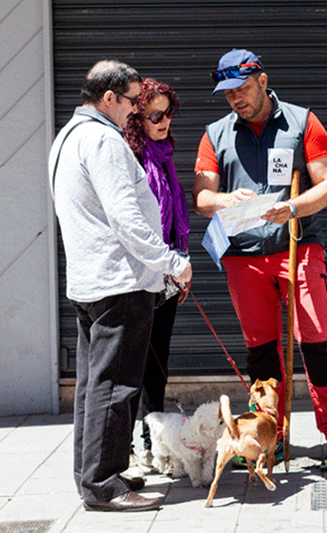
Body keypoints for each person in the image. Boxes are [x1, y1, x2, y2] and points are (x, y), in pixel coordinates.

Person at [193, 49, 327, 470]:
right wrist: (224, 198)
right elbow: (202, 196)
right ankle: (270, 436)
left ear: (263, 81)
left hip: (298, 248)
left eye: (243, 89)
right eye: (227, 94)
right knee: (262, 356)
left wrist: (294, 208)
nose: (236, 99)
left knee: (320, 345)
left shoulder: (303, 122)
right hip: (243, 258)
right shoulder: (216, 134)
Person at [48, 61, 192, 512]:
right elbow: (126, 218)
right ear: (108, 98)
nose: (136, 110)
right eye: (132, 101)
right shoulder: (104, 141)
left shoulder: (67, 137)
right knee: (116, 388)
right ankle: (104, 486)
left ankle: (93, 475)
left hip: (91, 282)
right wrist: (172, 263)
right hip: (121, 283)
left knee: (94, 387)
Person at [122, 78, 191, 469]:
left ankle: (152, 441)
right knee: (133, 365)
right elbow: (139, 226)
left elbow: (172, 222)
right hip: (140, 279)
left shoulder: (163, 156)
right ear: (137, 118)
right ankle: (127, 446)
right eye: (155, 115)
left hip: (166, 277)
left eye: (168, 113)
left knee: (157, 368)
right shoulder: (132, 160)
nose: (164, 121)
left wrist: (178, 266)